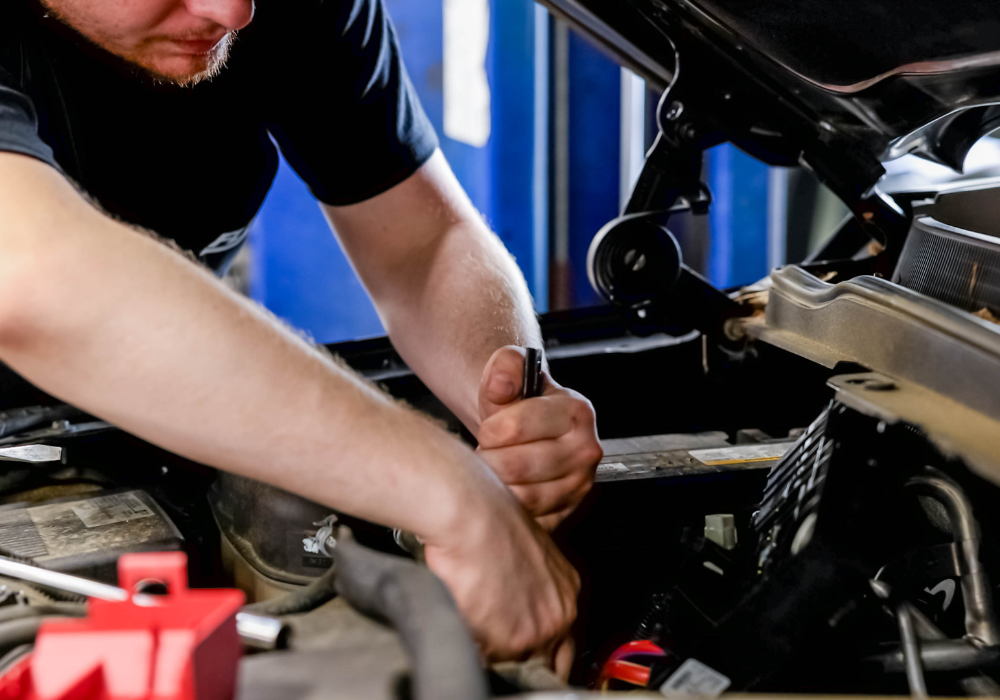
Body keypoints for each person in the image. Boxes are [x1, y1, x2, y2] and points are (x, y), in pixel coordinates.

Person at [0, 0, 602, 669]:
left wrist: (508, 413)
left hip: (134, 428)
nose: (234, 10)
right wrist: (450, 491)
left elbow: (422, 244)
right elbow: (34, 279)